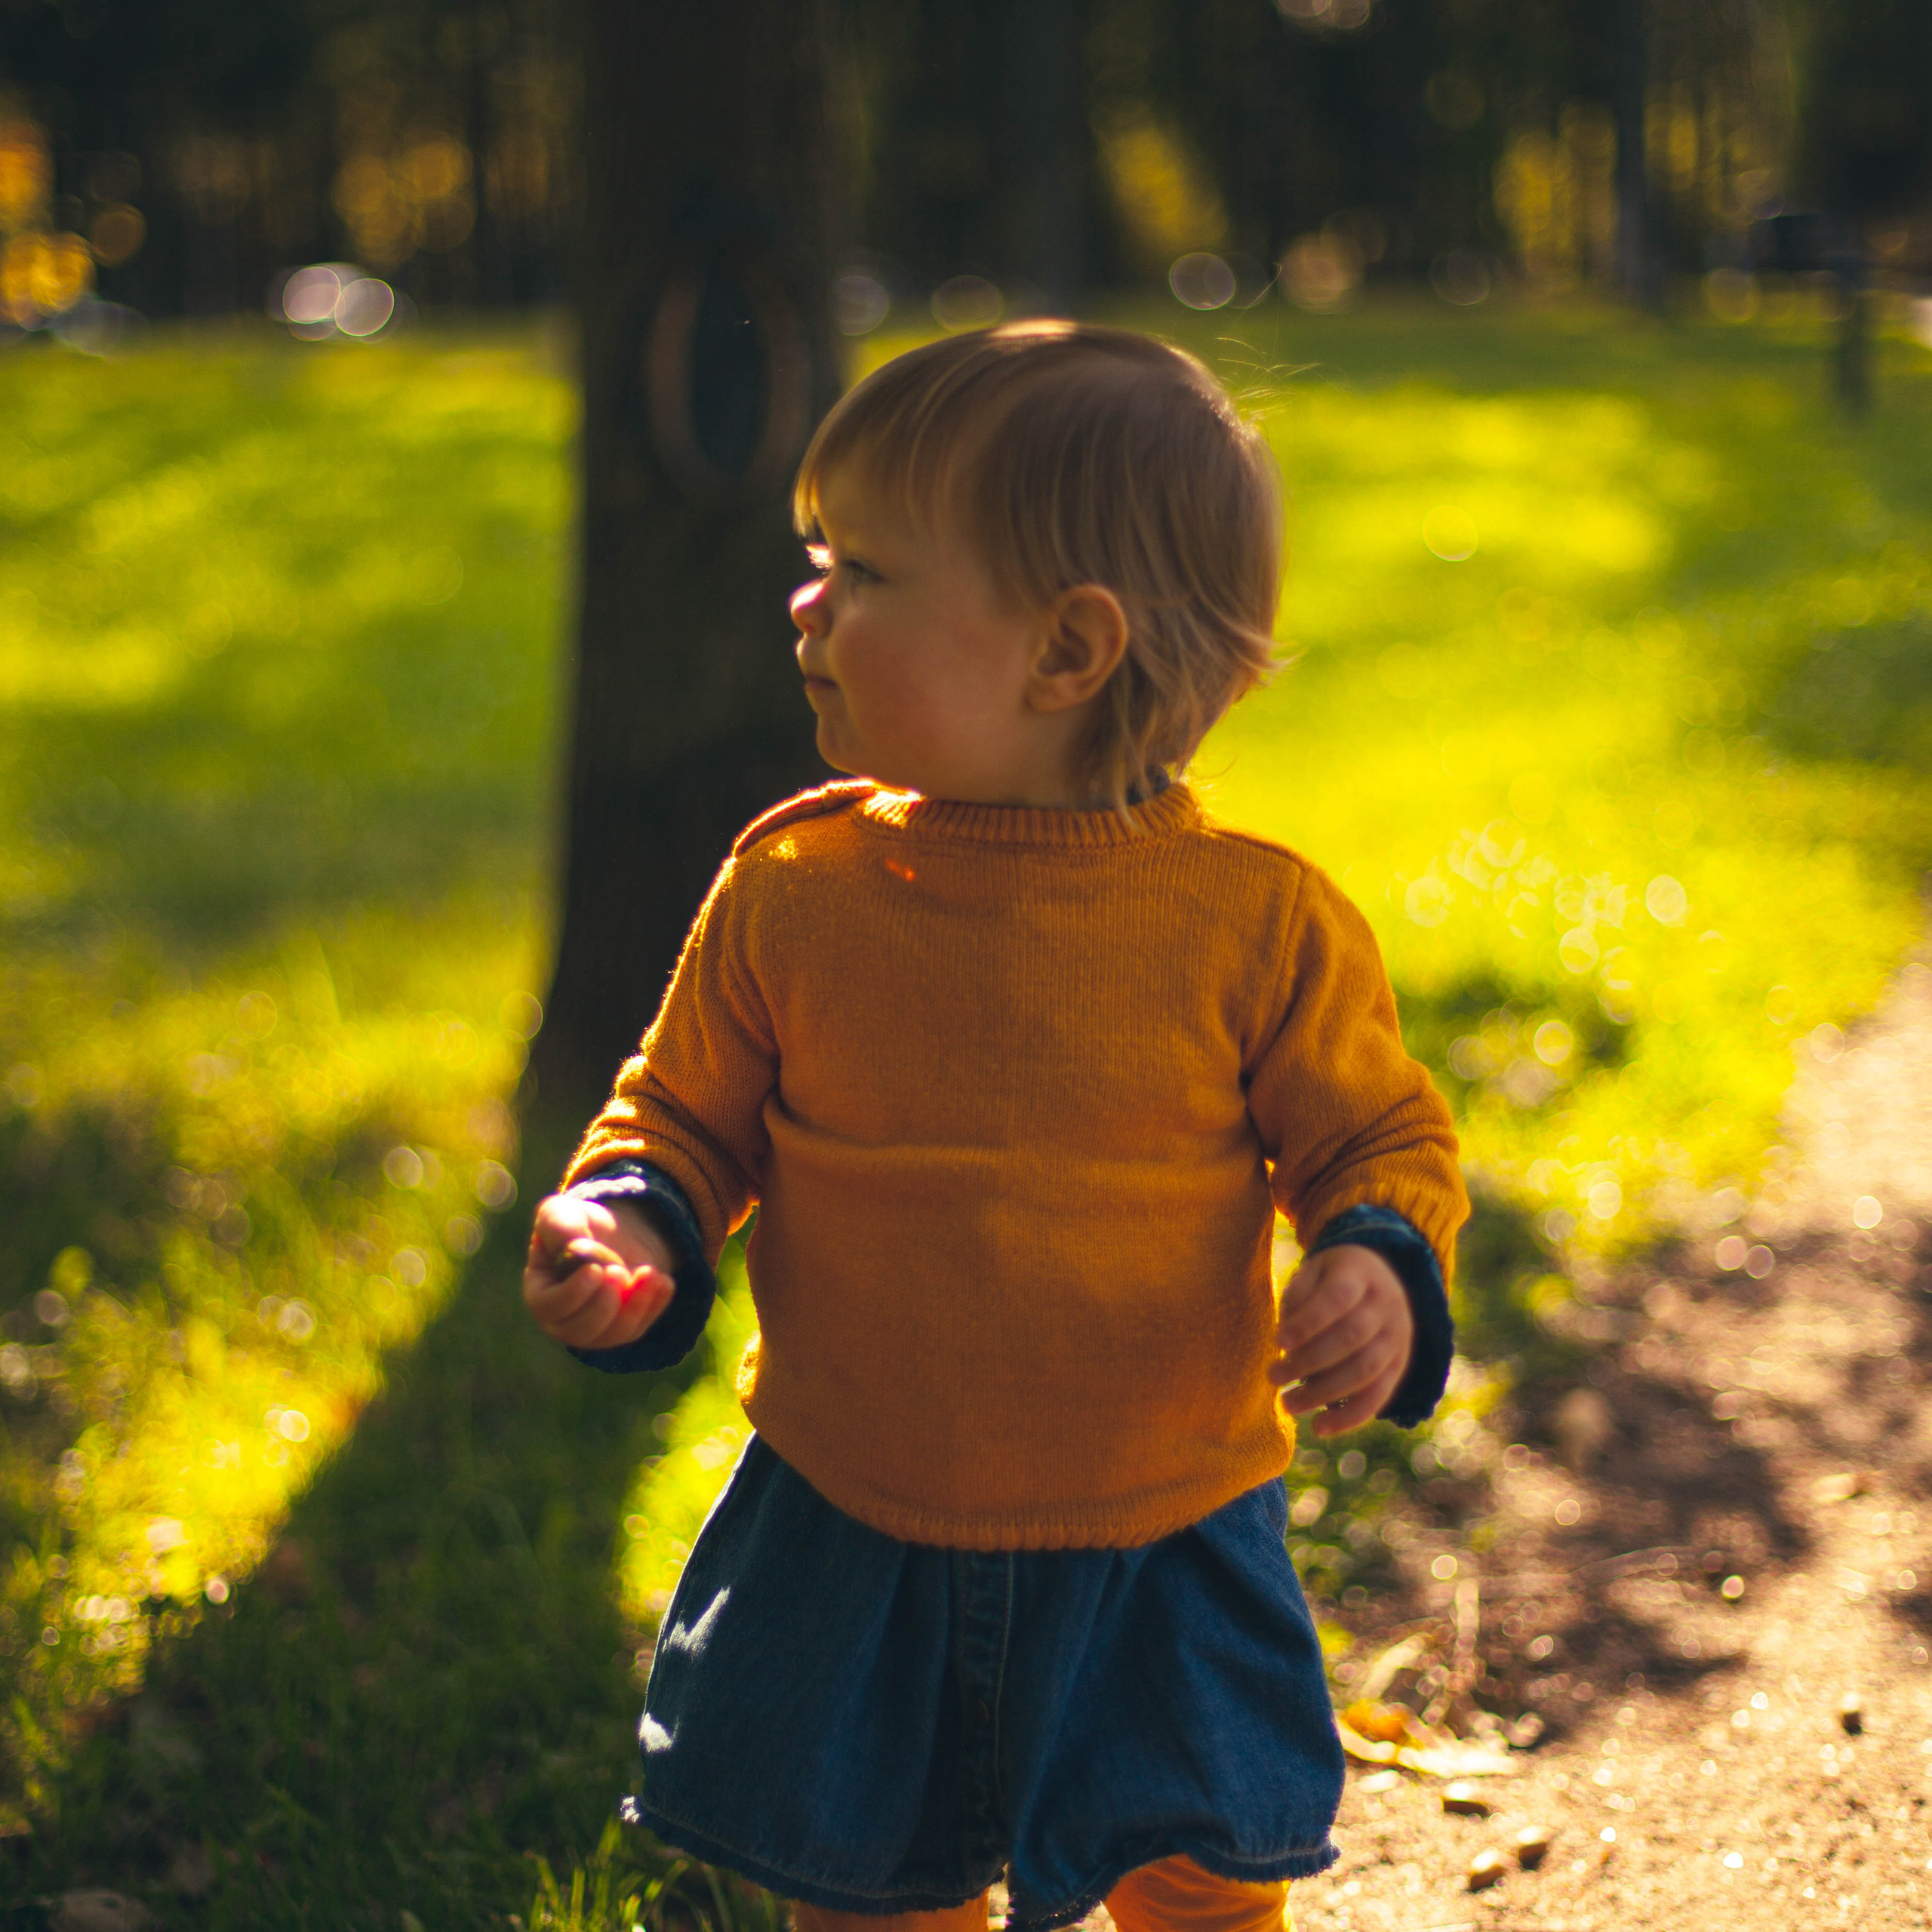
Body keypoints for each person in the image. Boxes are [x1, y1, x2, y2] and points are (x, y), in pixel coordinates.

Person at [523, 321, 1468, 1932]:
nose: (805, 602)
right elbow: (681, 1111)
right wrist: (631, 1216)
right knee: (869, 1881)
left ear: (1065, 650)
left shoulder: (1253, 925)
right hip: (855, 1513)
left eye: (864, 571)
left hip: (1162, 1522)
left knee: (1200, 1874)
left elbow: (1378, 1139)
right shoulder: (792, 891)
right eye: (816, 559)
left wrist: (1376, 1259)